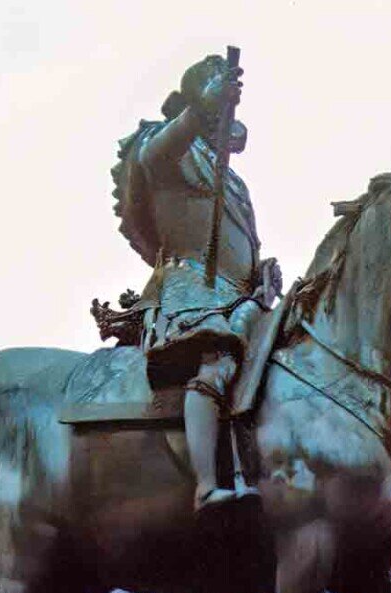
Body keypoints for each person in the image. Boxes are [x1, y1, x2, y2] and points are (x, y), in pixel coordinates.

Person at [112, 54, 278, 514]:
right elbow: (154, 154)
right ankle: (206, 485)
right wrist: (198, 109)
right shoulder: (171, 149)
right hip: (191, 289)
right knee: (216, 362)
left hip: (238, 296)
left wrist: (262, 275)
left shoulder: (234, 180)